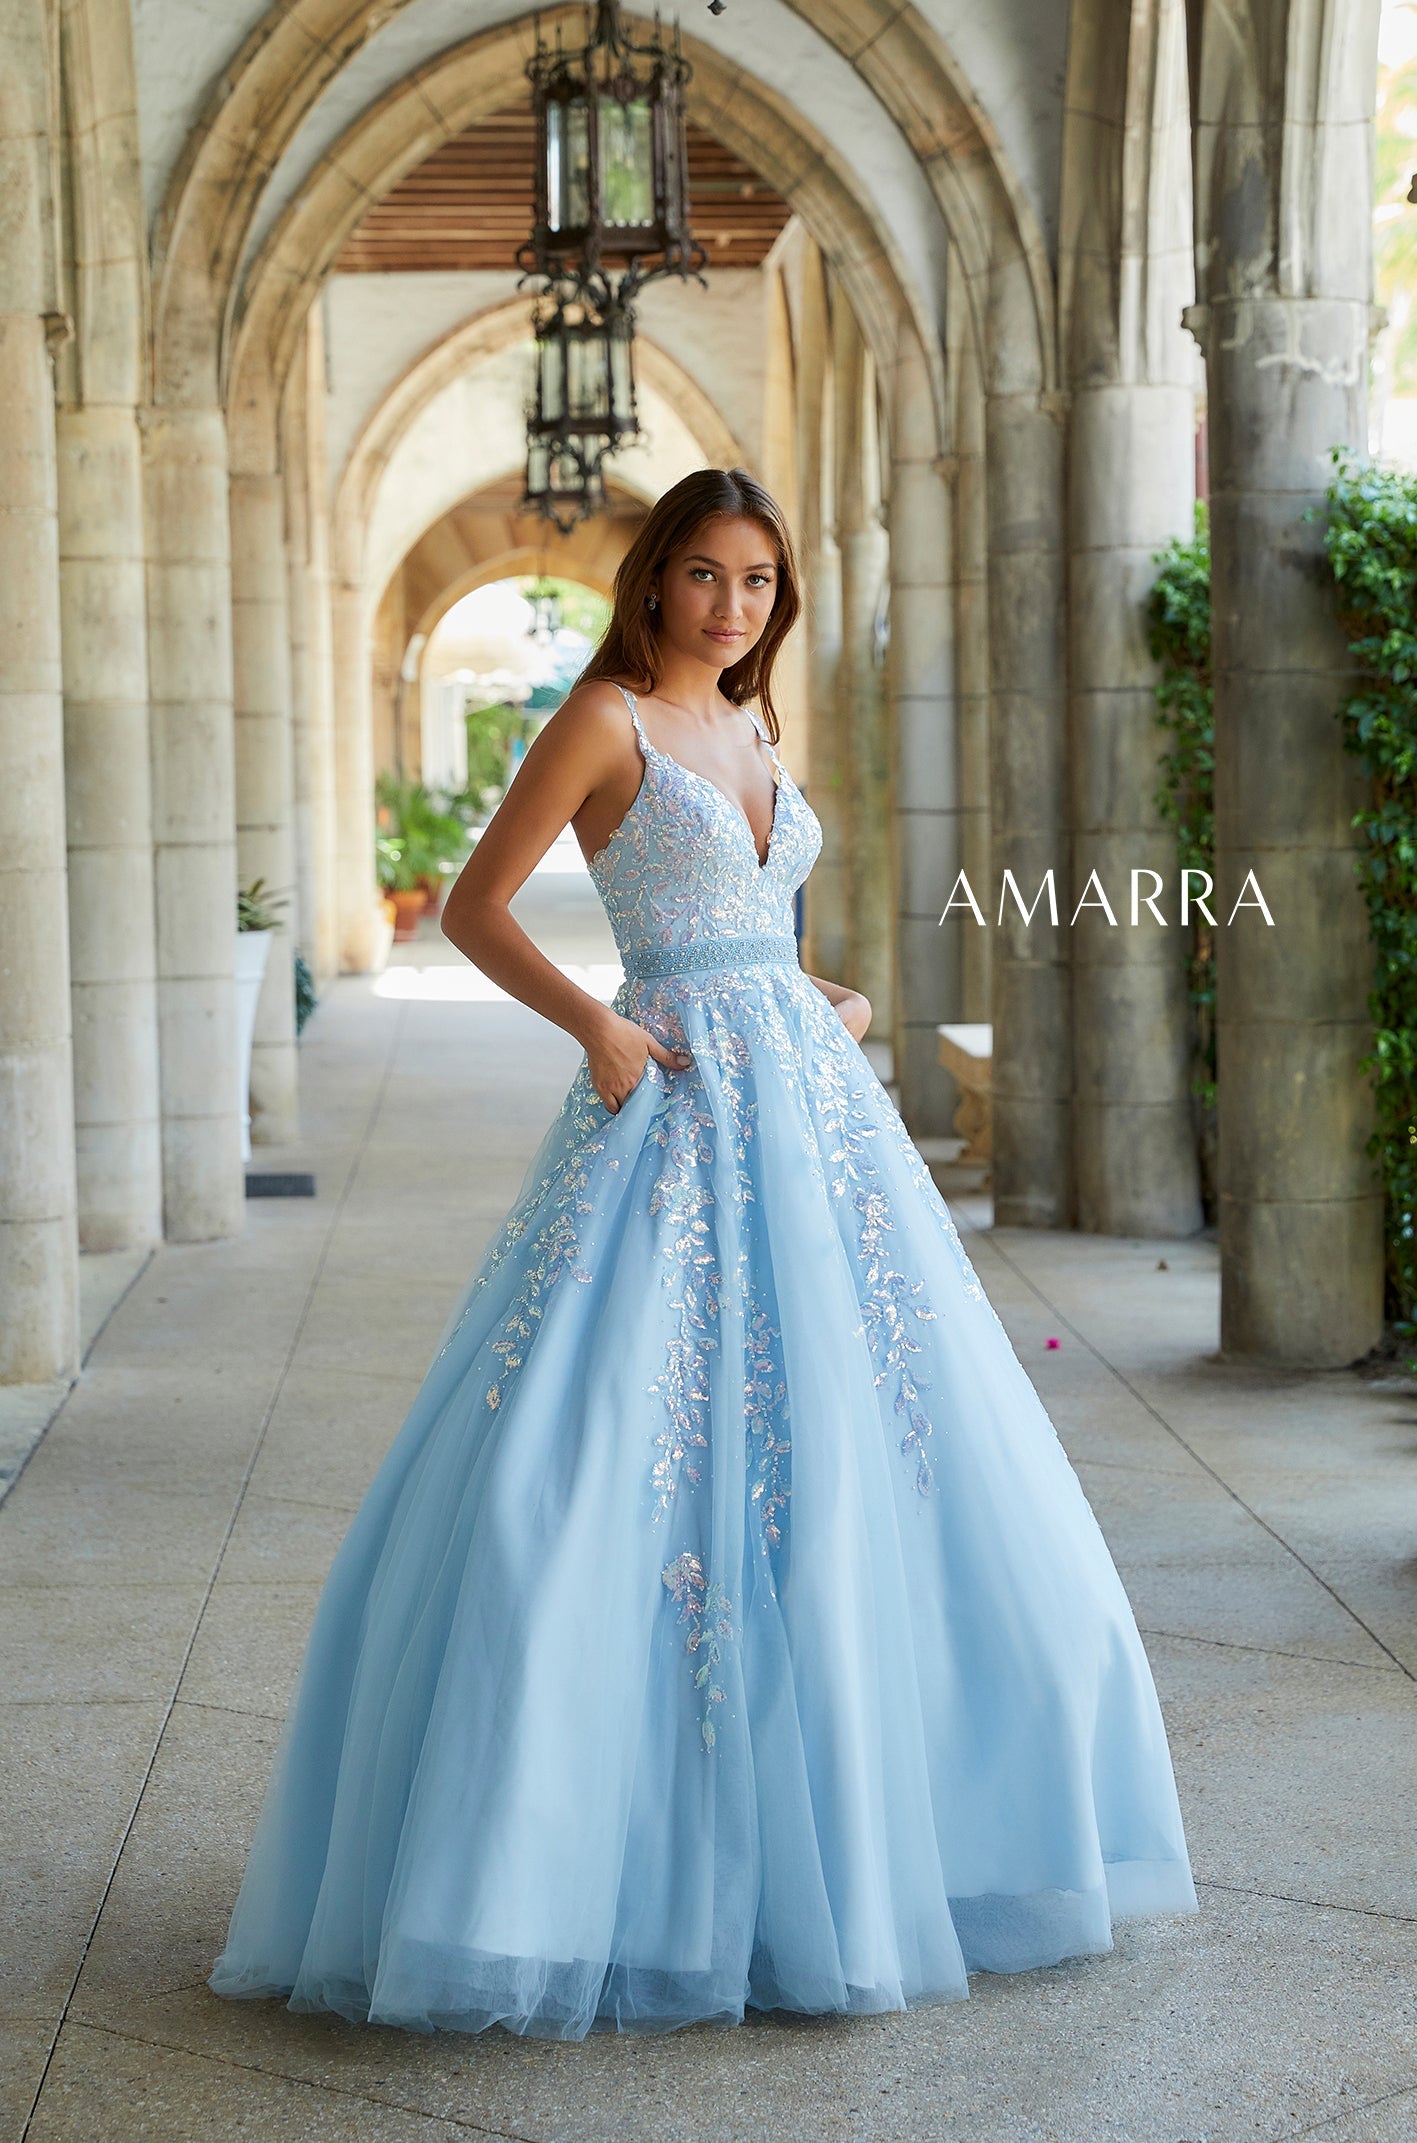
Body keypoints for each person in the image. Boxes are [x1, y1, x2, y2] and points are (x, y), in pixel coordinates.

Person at [209, 466, 1197, 2041]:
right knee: (613, 1445)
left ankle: (894, 1839)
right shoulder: (605, 719)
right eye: (705, 575)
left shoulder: (753, 725)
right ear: (654, 578)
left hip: (810, 1115)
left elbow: (760, 931)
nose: (732, 605)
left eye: (757, 581)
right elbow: (477, 906)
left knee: (879, 1441)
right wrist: (595, 1025)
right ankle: (567, 1866)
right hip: (668, 1107)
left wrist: (828, 999)